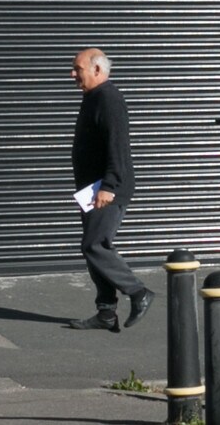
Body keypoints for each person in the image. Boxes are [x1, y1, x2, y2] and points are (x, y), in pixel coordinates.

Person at [68, 48, 152, 332]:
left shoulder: (108, 98)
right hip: (92, 188)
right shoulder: (93, 97)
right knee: (94, 249)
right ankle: (106, 312)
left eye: (77, 69)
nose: (73, 74)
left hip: (106, 189)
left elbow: (118, 145)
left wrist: (110, 185)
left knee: (94, 245)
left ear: (97, 70)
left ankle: (138, 292)